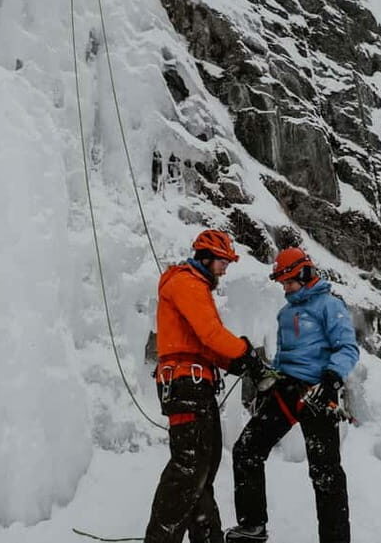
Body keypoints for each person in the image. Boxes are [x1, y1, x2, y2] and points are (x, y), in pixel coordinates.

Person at [226, 247, 359, 543]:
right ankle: (252, 526)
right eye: (282, 283)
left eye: (289, 282)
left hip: (319, 394)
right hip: (286, 390)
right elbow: (285, 356)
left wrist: (331, 377)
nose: (285, 288)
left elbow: (347, 347)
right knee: (246, 450)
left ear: (305, 273)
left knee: (325, 473)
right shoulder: (285, 313)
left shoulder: (329, 305)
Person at [145, 229, 266, 543]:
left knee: (202, 469)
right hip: (186, 384)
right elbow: (211, 333)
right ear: (206, 257)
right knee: (188, 467)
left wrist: (234, 362)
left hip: (197, 384)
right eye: (223, 262)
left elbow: (204, 342)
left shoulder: (196, 287)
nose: (225, 269)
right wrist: (244, 352)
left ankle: (207, 536)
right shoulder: (186, 283)